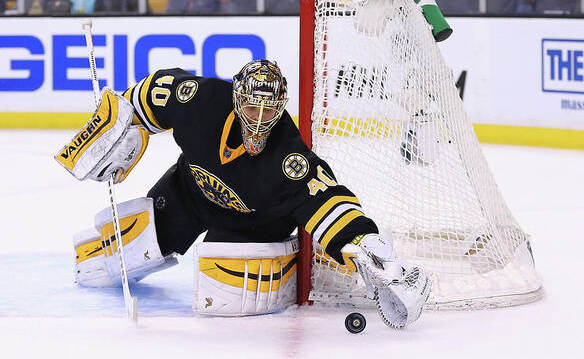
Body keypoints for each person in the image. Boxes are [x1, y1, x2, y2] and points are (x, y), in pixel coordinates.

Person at [56, 59, 431, 328]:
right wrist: (121, 126)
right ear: (236, 99)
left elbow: (328, 198)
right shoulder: (200, 100)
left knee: (223, 295)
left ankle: (284, 268)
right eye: (251, 106)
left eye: (270, 111)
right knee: (98, 264)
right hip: (188, 194)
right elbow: (149, 93)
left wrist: (362, 241)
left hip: (253, 227)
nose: (259, 119)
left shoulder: (290, 158)